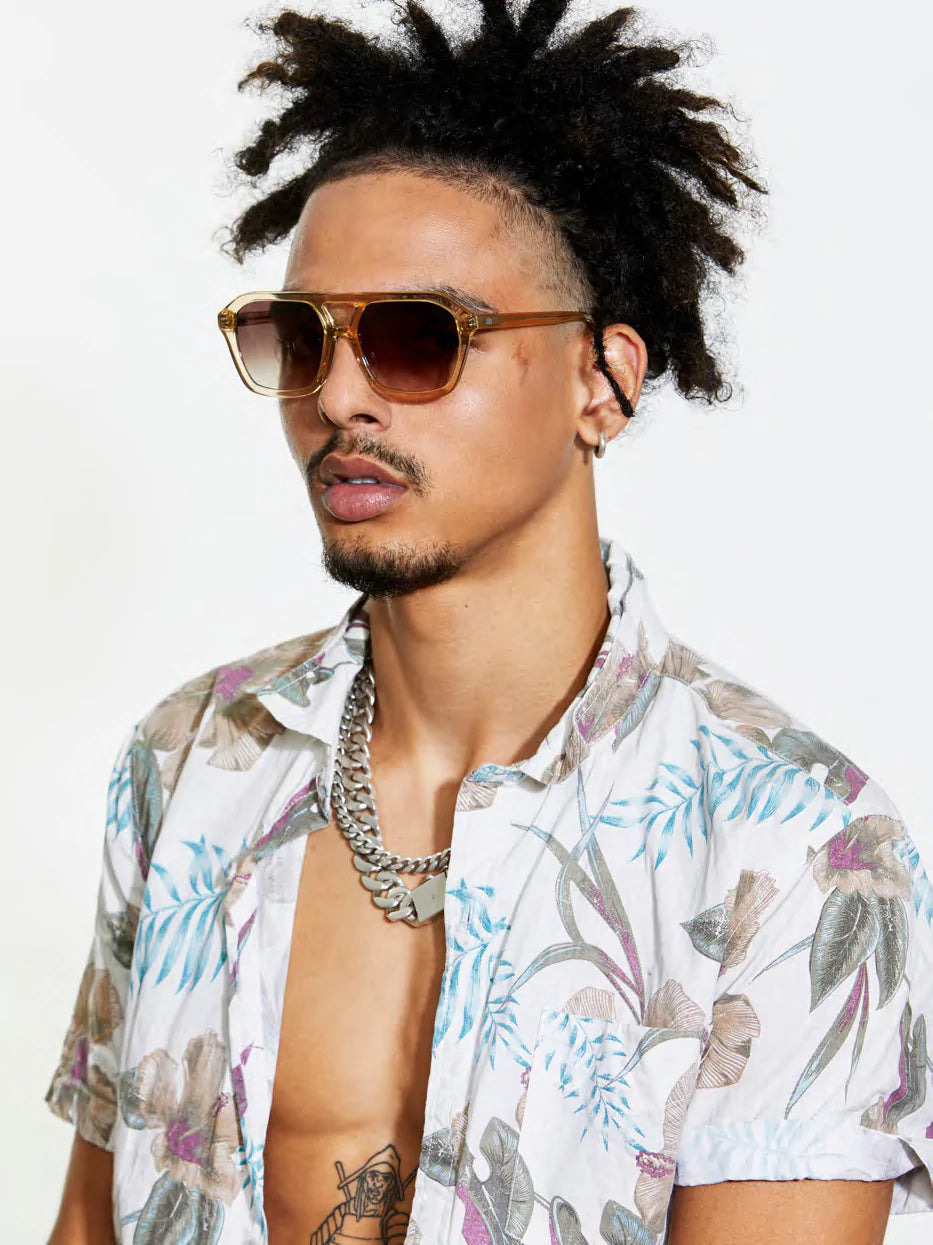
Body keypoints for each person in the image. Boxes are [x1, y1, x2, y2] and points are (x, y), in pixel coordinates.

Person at [45, 2, 933, 1243]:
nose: (339, 395)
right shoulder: (193, 757)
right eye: (301, 338)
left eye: (418, 339)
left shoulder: (796, 849)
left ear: (601, 382)